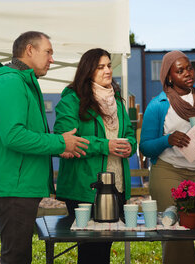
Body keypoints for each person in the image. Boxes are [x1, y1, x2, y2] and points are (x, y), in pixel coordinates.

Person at [0, 31, 90, 264]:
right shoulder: (10, 82)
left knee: (18, 255)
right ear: (29, 50)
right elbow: (14, 136)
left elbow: (22, 134)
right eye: (48, 52)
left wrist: (59, 147)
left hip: (18, 185)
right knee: (16, 257)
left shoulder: (21, 82)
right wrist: (60, 142)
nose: (52, 59)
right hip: (13, 187)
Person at [140, 50, 195, 264]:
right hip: (168, 172)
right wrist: (167, 140)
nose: (188, 73)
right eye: (180, 70)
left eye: (189, 67)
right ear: (169, 77)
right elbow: (145, 147)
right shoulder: (158, 104)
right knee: (177, 234)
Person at [53, 48, 137, 263]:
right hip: (84, 187)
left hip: (116, 184)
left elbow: (128, 133)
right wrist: (104, 146)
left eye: (109, 65)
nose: (107, 70)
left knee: (104, 248)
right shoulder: (71, 100)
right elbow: (65, 141)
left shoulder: (117, 101)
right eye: (100, 67)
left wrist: (130, 145)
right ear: (88, 70)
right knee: (90, 250)